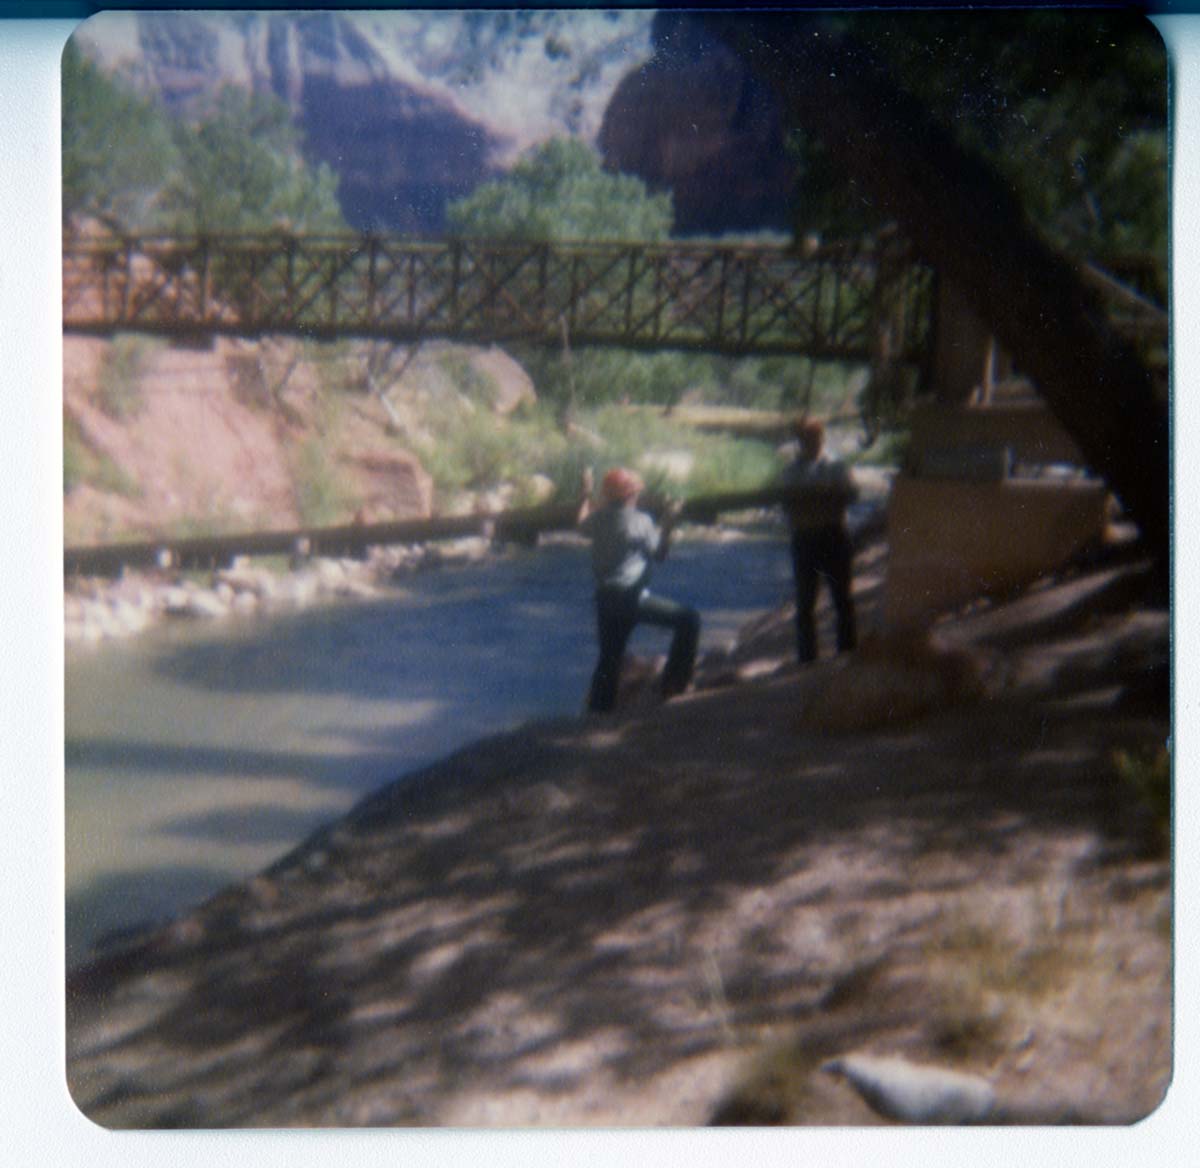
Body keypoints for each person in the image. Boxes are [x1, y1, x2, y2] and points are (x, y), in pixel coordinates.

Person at [577, 466, 700, 712]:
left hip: (605, 599)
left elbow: (581, 524)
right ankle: (673, 686)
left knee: (609, 659)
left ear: (608, 495)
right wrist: (669, 523)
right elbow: (661, 554)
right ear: (632, 495)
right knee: (689, 621)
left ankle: (598, 714)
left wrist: (585, 493)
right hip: (632, 599)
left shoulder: (598, 519)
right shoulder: (641, 522)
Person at [779, 418, 858, 664]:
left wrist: (823, 495)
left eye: (814, 438)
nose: (809, 443)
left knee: (842, 598)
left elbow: (852, 494)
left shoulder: (837, 466)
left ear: (822, 438)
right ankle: (807, 659)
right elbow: (786, 505)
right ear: (799, 442)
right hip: (804, 538)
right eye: (804, 439)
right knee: (805, 603)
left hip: (834, 535)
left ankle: (847, 653)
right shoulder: (790, 472)